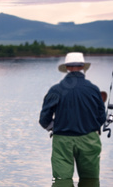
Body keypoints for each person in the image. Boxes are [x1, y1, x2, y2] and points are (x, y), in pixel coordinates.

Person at [38, 52, 108, 180]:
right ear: (82, 67)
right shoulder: (93, 89)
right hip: (89, 139)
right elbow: (102, 118)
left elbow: (44, 120)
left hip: (62, 140)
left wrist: (55, 127)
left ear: (67, 68)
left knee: (62, 181)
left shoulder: (56, 90)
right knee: (90, 180)